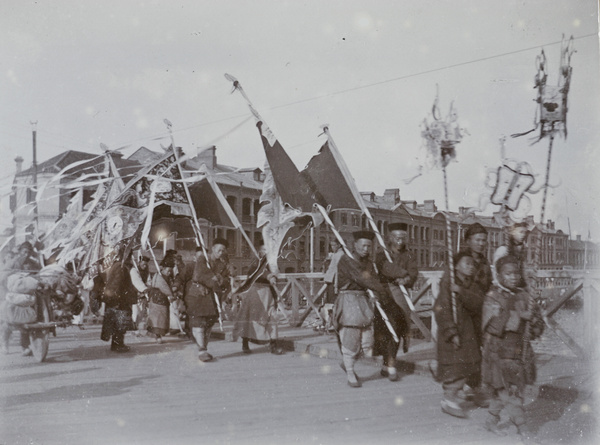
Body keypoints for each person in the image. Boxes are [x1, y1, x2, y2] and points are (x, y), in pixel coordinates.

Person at [481, 255, 544, 438]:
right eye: (508, 274)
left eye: (516, 273)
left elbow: (537, 325)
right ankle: (523, 429)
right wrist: (518, 316)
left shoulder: (524, 295)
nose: (514, 277)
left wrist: (533, 322)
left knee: (505, 390)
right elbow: (491, 325)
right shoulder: (492, 297)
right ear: (499, 276)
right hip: (499, 352)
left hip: (520, 352)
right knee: (511, 391)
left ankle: (491, 420)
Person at [332, 230, 390, 388]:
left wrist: (377, 292)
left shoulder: (369, 263)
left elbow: (373, 279)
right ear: (355, 245)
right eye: (363, 245)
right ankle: (350, 372)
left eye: (369, 246)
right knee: (351, 337)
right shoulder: (346, 260)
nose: (366, 249)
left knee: (367, 342)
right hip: (349, 299)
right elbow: (361, 278)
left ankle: (346, 363)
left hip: (363, 301)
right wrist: (382, 290)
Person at [434, 251, 482, 418]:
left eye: (472, 264)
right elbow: (441, 309)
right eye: (466, 264)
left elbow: (477, 303)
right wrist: (451, 331)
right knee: (455, 366)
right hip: (453, 332)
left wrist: (461, 291)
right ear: (456, 266)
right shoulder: (447, 284)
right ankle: (449, 398)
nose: (471, 267)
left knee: (470, 363)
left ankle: (469, 392)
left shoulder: (471, 285)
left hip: (468, 331)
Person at [374, 222, 417, 381]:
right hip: (385, 294)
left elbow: (414, 272)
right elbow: (385, 268)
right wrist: (402, 274)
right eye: (397, 238)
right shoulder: (382, 254)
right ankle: (388, 363)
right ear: (390, 238)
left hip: (401, 295)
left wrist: (407, 279)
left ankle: (389, 364)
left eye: (403, 238)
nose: (400, 241)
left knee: (398, 328)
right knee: (386, 329)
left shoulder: (409, 255)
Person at [460, 222, 493, 404]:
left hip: (481, 310)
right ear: (468, 241)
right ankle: (470, 388)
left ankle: (471, 387)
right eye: (478, 240)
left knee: (482, 349)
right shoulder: (463, 260)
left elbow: (488, 283)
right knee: (470, 350)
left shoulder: (485, 261)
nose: (481, 244)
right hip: (465, 311)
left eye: (484, 241)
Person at [232, 243, 284, 355]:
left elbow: (275, 272)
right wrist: (269, 276)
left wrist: (274, 276)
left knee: (272, 317)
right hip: (255, 292)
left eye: (268, 249)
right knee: (249, 318)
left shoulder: (272, 262)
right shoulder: (255, 262)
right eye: (264, 249)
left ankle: (273, 345)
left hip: (268, 292)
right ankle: (245, 343)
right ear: (259, 251)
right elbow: (257, 273)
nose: (266, 252)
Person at [184, 239, 231, 362]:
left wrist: (220, 279)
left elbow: (227, 280)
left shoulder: (223, 264)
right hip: (198, 296)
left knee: (208, 324)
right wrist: (211, 279)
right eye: (218, 250)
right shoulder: (203, 259)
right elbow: (197, 276)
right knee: (199, 323)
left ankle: (203, 346)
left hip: (213, 298)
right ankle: (202, 351)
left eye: (223, 250)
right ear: (213, 248)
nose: (220, 252)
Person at [100, 248, 138, 352]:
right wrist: (119, 298)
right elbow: (117, 284)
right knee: (120, 324)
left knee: (118, 324)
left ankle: (117, 344)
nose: (131, 258)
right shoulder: (121, 267)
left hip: (115, 300)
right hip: (119, 301)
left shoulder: (117, 265)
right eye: (130, 256)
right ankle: (118, 345)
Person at [493, 221, 530, 289]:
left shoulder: (522, 250)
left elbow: (523, 270)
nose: (524, 235)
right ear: (512, 232)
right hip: (504, 287)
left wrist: (527, 286)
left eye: (525, 232)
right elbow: (496, 270)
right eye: (521, 232)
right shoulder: (503, 250)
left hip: (518, 286)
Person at [146, 256, 175, 343]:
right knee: (156, 319)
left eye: (170, 271)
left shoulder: (168, 278)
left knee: (162, 319)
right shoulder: (158, 276)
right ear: (163, 269)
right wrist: (170, 294)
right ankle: (157, 336)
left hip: (163, 301)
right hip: (156, 299)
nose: (169, 272)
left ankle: (158, 335)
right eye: (168, 270)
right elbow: (164, 287)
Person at [320, 238, 345, 332]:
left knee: (332, 303)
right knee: (329, 302)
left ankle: (332, 323)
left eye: (334, 245)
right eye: (331, 245)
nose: (332, 247)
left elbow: (337, 271)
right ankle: (330, 323)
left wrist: (336, 284)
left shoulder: (340, 255)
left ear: (339, 245)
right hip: (330, 280)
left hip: (334, 281)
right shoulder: (335, 254)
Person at [129, 255, 150, 337]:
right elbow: (133, 282)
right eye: (143, 265)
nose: (144, 266)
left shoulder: (147, 272)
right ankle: (134, 329)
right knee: (135, 312)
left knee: (141, 312)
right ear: (139, 263)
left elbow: (149, 281)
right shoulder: (135, 271)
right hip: (135, 293)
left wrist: (146, 287)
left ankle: (137, 328)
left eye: (145, 265)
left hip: (143, 294)